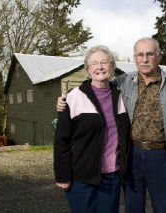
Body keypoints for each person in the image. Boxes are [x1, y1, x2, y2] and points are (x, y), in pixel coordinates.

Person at [57, 37, 166, 213]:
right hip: (131, 155)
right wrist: (66, 97)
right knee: (133, 207)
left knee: (163, 207)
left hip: (162, 156)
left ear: (159, 56)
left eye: (150, 54)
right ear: (134, 58)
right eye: (140, 55)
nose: (144, 59)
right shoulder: (123, 82)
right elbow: (95, 86)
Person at [54, 45, 131, 213]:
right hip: (81, 178)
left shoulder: (122, 96)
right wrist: (63, 176)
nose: (100, 67)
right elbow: (61, 141)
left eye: (104, 62)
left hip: (112, 177)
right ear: (88, 69)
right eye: (95, 63)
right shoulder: (73, 97)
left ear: (112, 66)